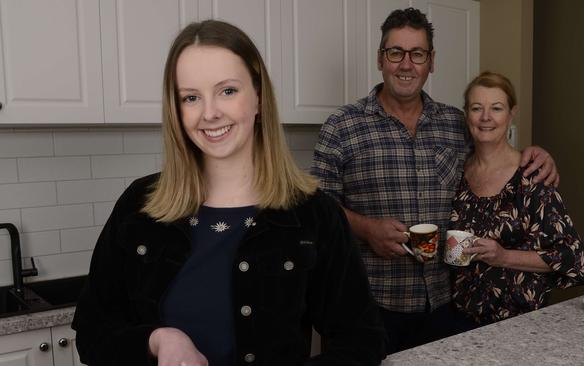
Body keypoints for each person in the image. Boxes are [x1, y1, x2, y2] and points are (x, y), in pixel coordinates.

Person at [72, 20, 386, 366]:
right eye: (191, 97)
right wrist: (159, 340)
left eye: (227, 91)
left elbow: (361, 341)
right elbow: (92, 333)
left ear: (258, 98)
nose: (209, 113)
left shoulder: (314, 214)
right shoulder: (139, 205)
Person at [311, 8, 559, 353]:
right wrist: (367, 228)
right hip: (369, 302)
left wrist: (534, 153)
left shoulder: (456, 123)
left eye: (418, 54)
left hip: (447, 302)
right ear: (380, 59)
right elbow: (317, 210)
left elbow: (496, 155)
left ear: (431, 61)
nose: (406, 64)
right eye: (395, 52)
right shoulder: (342, 126)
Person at [449, 71, 584, 326]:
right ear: (466, 114)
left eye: (497, 108)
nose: (486, 117)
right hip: (458, 322)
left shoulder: (533, 176)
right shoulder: (457, 173)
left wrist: (503, 256)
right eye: (477, 108)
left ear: (512, 113)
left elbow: (571, 257)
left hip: (519, 323)